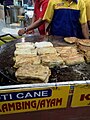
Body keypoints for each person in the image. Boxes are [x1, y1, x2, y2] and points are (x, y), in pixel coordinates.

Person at [18, 0, 89, 39]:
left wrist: (87, 40)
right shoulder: (53, 2)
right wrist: (47, 35)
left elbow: (84, 24)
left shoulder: (81, 3)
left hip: (74, 38)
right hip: (56, 38)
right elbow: (47, 21)